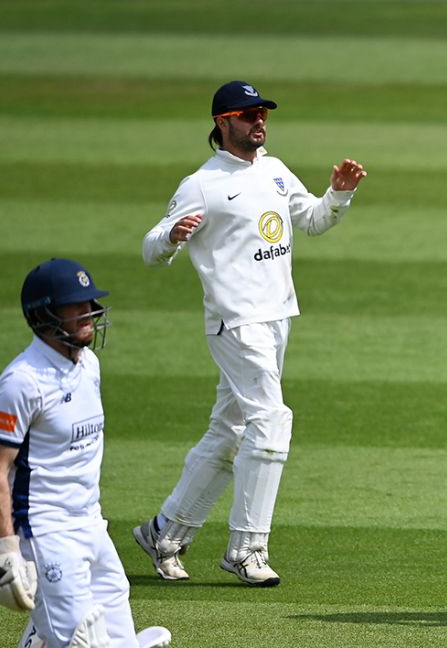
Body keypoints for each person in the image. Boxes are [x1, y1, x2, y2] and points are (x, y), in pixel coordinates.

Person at [135, 80, 367, 586]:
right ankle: (246, 548)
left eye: (262, 112)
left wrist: (339, 195)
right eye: (247, 114)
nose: (259, 121)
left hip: (278, 317)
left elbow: (311, 220)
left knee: (230, 431)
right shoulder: (202, 183)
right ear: (223, 123)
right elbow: (151, 247)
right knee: (272, 419)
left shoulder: (275, 170)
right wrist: (171, 238)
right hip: (235, 321)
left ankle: (164, 534)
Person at [0, 258, 171, 648]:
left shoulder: (87, 366)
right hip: (48, 533)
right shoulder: (22, 380)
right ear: (44, 316)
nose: (90, 314)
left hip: (92, 526)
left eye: (91, 305)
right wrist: (8, 553)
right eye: (77, 306)